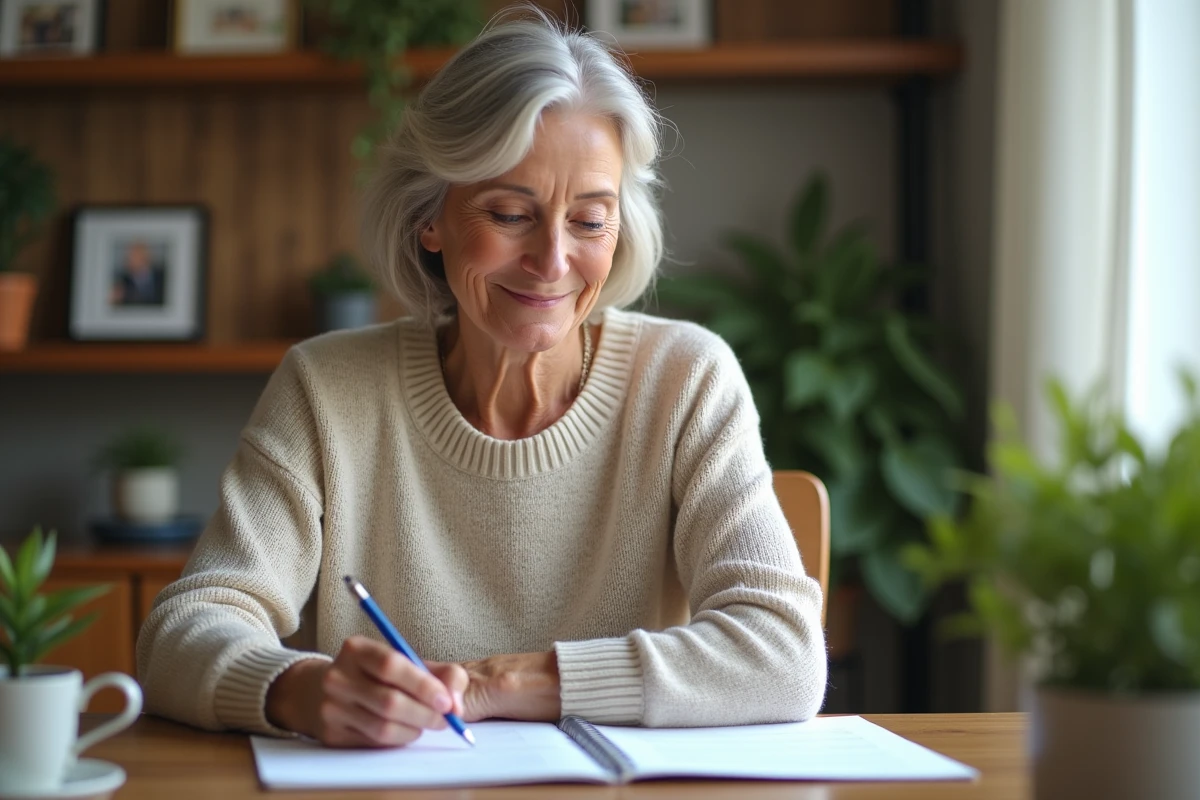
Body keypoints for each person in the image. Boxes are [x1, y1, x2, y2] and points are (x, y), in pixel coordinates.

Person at [136, 10, 827, 748]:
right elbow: (181, 633)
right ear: (431, 218)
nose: (553, 261)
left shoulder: (686, 380)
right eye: (509, 213)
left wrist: (505, 684)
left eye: (590, 221)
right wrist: (296, 689)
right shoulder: (326, 388)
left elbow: (781, 654)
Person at [109, 240, 166, 306]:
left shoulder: (162, 277)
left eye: (137, 255)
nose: (132, 260)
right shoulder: (123, 282)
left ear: (146, 257)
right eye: (130, 256)